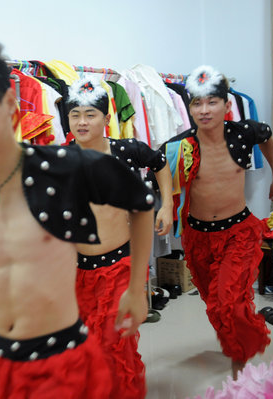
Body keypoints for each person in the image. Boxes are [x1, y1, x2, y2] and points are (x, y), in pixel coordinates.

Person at [0, 16, 156, 399]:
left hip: (67, 359)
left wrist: (136, 288)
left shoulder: (64, 167)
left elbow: (141, 202)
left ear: (8, 105)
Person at [160, 65, 273, 379]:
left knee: (228, 302)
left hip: (238, 232)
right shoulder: (182, 145)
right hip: (198, 236)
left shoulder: (244, 133)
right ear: (189, 107)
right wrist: (165, 204)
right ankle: (243, 327)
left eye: (212, 102)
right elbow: (158, 164)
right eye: (197, 103)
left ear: (226, 105)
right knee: (215, 303)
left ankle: (241, 352)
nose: (204, 110)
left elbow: (268, 138)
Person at [65, 76, 173, 399]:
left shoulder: (126, 152)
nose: (82, 122)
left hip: (119, 270)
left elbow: (160, 162)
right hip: (79, 275)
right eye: (75, 115)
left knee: (115, 350)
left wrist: (166, 204)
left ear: (107, 118)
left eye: (90, 114)